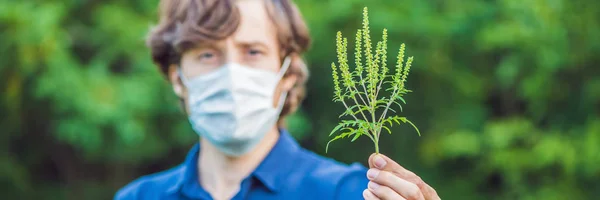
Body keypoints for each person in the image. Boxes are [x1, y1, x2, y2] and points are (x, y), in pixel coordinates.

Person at [114, 0, 440, 199]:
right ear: (177, 78)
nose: (231, 73)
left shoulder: (357, 193)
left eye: (253, 51)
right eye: (207, 54)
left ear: (288, 74)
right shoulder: (138, 197)